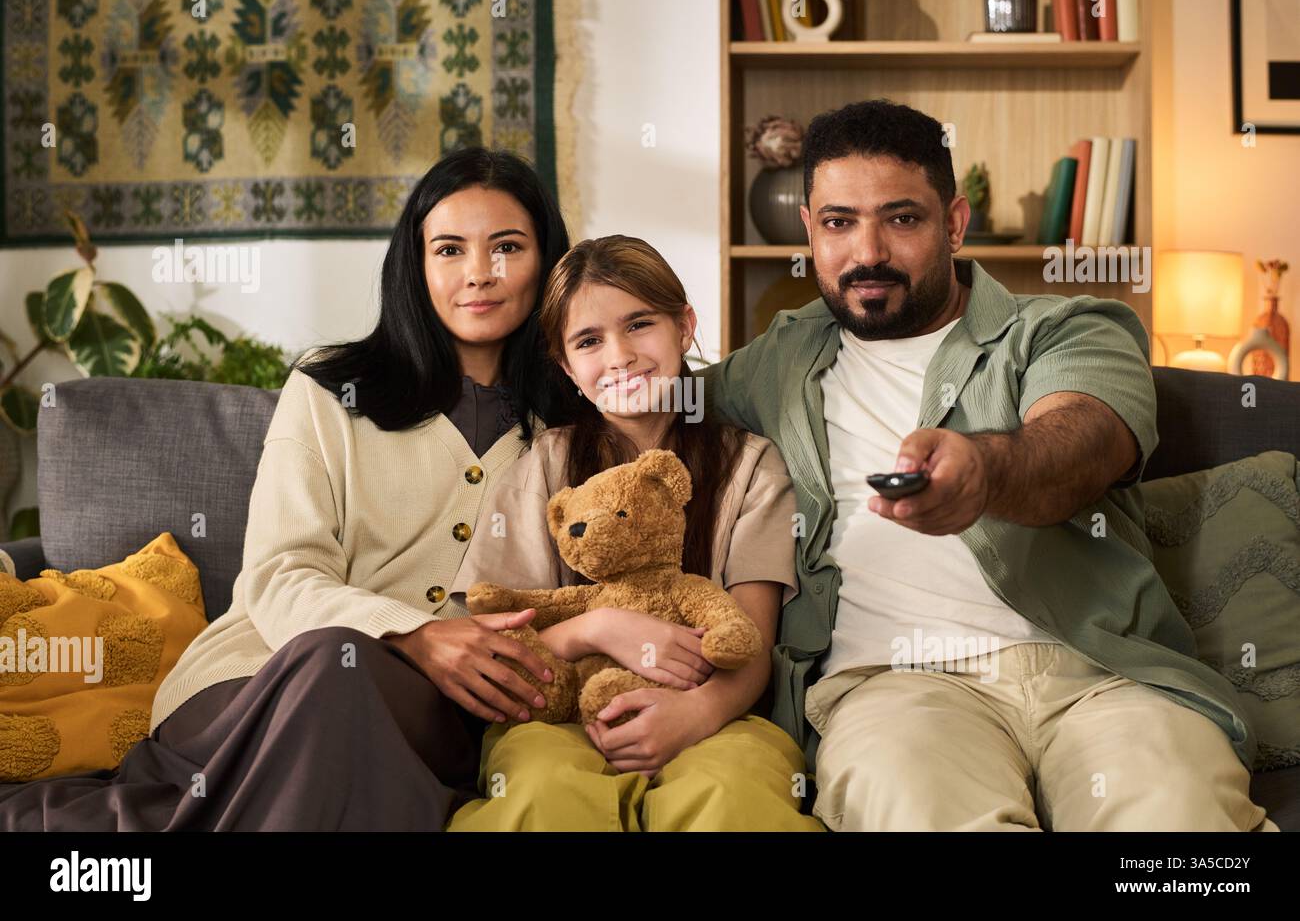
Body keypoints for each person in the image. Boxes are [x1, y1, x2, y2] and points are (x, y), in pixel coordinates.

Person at [698, 98, 1279, 831]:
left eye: (902, 219)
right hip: (896, 688)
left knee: (1176, 826)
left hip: (1101, 678)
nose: (868, 250)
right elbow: (629, 404)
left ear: (955, 223)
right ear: (810, 228)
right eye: (840, 222)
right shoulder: (769, 367)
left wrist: (985, 471)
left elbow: (1084, 438)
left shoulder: (1064, 328)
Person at [0, 147, 577, 830]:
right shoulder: (331, 388)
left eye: (506, 247)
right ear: (416, 269)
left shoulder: (575, 423)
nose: (479, 273)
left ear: (547, 261)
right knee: (334, 667)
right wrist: (415, 635)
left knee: (343, 684)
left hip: (435, 713)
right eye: (449, 249)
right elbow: (278, 573)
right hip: (249, 677)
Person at [445, 235, 823, 830]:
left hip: (714, 713)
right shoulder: (543, 467)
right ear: (568, 368)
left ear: (684, 327)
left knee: (733, 790)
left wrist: (695, 714)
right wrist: (600, 627)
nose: (619, 356)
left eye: (640, 324)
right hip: (560, 714)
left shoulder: (750, 464)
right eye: (590, 341)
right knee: (545, 790)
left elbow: (750, 644)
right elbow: (501, 640)